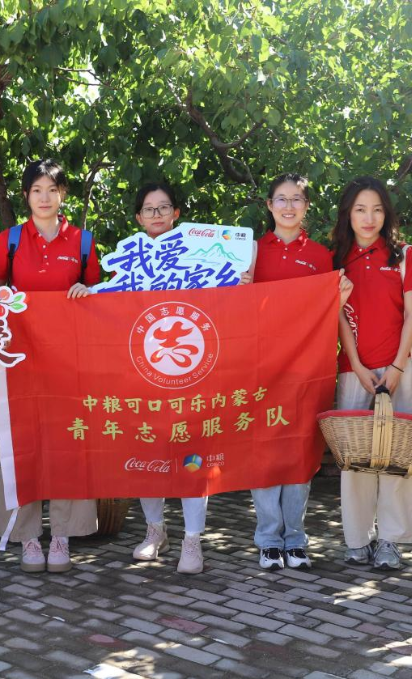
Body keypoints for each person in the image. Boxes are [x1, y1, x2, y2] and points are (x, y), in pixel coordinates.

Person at [125, 182, 253, 574]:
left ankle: (193, 540)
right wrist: (85, 291)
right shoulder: (129, 259)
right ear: (139, 217)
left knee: (193, 456)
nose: (157, 215)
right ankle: (155, 530)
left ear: (176, 213)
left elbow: (224, 301)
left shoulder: (203, 253)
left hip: (194, 373)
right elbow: (109, 306)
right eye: (149, 209)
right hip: (144, 373)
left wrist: (240, 283)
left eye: (164, 207)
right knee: (148, 453)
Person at [0, 158, 102, 573]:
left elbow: (100, 295)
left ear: (63, 193)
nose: (45, 197)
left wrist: (87, 290)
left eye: (52, 189)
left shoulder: (84, 241)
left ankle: (63, 536)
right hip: (20, 356)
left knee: (69, 440)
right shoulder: (11, 239)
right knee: (24, 442)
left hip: (70, 358)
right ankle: (28, 536)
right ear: (26, 196)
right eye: (36, 190)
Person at [250, 172, 352, 571]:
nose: (289, 206)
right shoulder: (251, 253)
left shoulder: (322, 257)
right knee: (264, 452)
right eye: (281, 198)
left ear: (306, 206)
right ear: (269, 205)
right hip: (260, 368)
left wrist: (337, 298)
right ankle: (267, 539)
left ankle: (295, 538)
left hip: (307, 369)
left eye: (297, 199)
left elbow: (326, 315)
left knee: (300, 450)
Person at [330, 176, 412, 571]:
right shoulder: (336, 259)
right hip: (353, 371)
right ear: (348, 214)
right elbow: (338, 316)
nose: (368, 218)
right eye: (360, 209)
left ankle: (391, 540)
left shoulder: (404, 256)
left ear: (386, 214)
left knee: (399, 457)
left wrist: (398, 366)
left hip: (400, 370)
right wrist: (356, 364)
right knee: (354, 458)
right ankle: (357, 540)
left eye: (376, 209)